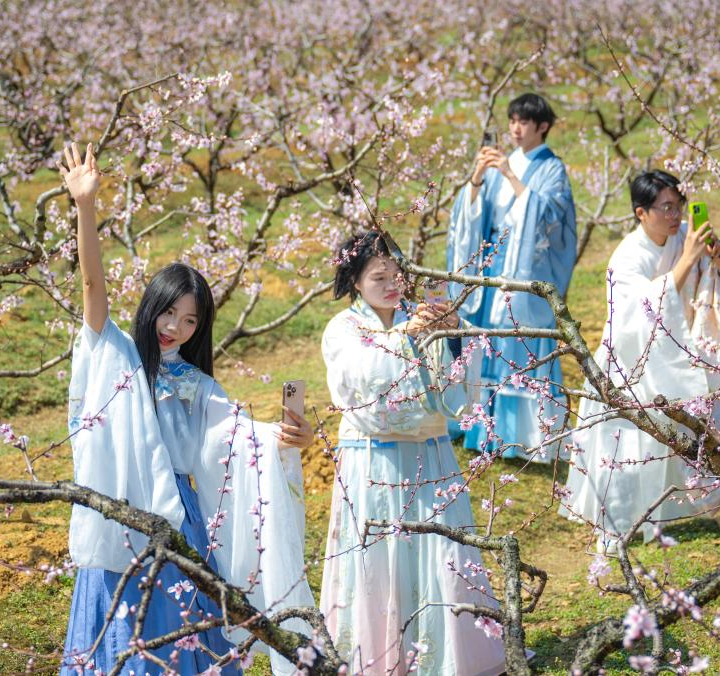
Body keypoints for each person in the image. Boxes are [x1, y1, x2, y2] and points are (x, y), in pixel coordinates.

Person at [57, 142, 315, 675]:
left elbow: (236, 437)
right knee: (122, 629)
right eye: (168, 312)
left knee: (184, 634)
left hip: (180, 521)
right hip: (120, 513)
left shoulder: (196, 384)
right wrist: (85, 207)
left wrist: (283, 438)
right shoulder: (119, 357)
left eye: (190, 320)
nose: (175, 327)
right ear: (151, 306)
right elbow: (92, 290)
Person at [319, 232, 505, 676]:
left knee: (443, 550)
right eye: (377, 276)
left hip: (431, 455)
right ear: (356, 282)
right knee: (379, 559)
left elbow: (454, 395)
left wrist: (452, 335)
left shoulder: (419, 317)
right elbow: (357, 379)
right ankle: (380, 655)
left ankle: (450, 655)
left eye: (396, 274)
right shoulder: (343, 328)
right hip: (374, 460)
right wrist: (409, 336)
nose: (390, 284)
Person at [558, 169, 720, 552]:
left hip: (677, 355)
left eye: (679, 206)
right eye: (666, 207)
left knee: (711, 431)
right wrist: (686, 260)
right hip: (630, 363)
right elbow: (638, 313)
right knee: (625, 444)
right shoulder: (627, 256)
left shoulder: (685, 236)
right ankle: (615, 528)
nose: (675, 215)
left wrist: (716, 259)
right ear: (641, 213)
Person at [447, 92, 577, 461]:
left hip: (526, 276)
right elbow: (471, 215)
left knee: (519, 345)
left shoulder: (552, 168)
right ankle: (481, 432)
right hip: (492, 273)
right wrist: (477, 177)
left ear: (543, 126)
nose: (516, 128)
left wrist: (509, 175)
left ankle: (527, 438)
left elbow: (552, 219)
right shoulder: (500, 163)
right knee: (487, 345)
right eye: (513, 121)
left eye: (524, 122)